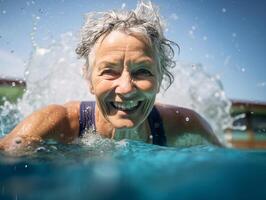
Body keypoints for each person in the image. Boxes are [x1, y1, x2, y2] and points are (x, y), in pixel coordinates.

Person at [0, 1, 222, 152]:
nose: (125, 88)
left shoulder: (187, 125)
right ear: (89, 80)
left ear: (160, 78)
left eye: (142, 71)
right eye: (109, 71)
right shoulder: (58, 123)